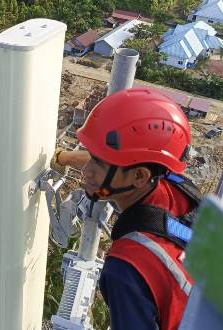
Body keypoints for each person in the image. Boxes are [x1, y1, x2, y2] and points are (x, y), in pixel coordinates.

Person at [52, 87, 201, 330]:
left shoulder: (127, 267)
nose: (86, 171)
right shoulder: (176, 184)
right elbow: (115, 164)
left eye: (96, 163)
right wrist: (62, 157)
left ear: (140, 177)